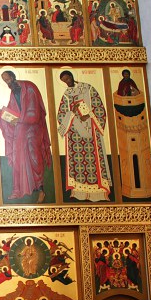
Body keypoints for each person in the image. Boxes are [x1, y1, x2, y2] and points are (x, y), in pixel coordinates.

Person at [0, 70, 52, 202]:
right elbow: (13, 111)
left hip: (33, 130)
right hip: (21, 129)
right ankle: (18, 190)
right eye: (4, 81)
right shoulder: (13, 92)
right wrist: (4, 116)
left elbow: (34, 113)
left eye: (7, 79)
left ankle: (41, 190)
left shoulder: (29, 87)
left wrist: (19, 119)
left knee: (34, 158)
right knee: (18, 158)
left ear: (12, 76)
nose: (7, 82)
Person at [56, 70, 112, 202]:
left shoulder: (88, 88)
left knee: (94, 161)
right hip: (75, 134)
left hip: (92, 131)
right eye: (64, 81)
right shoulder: (66, 95)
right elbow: (61, 115)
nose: (67, 82)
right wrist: (72, 111)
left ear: (72, 76)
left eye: (67, 79)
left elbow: (99, 107)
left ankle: (99, 193)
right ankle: (79, 192)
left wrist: (89, 115)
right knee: (78, 165)